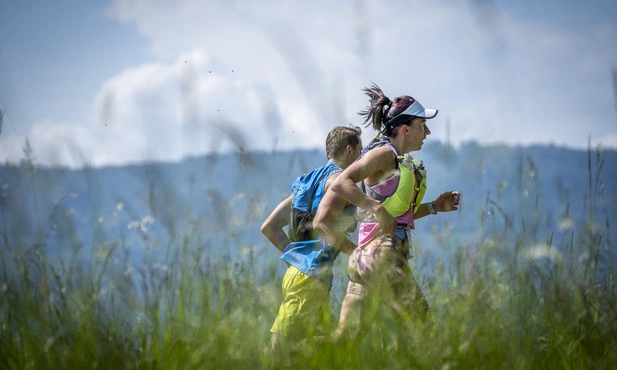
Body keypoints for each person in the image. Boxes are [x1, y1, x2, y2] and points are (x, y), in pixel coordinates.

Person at [312, 84, 461, 342]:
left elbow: (395, 216)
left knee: (344, 340)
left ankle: (291, 357)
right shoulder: (383, 154)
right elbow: (340, 183)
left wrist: (435, 207)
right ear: (405, 129)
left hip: (365, 257)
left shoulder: (395, 159)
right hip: (383, 254)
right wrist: (375, 208)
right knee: (423, 332)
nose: (427, 132)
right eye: (421, 125)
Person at [261, 126, 363, 350]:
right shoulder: (337, 180)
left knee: (310, 353)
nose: (361, 159)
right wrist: (357, 253)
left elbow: (269, 227)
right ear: (349, 150)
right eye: (360, 151)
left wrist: (298, 258)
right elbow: (325, 218)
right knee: (279, 348)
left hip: (294, 275)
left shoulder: (304, 182)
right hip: (310, 277)